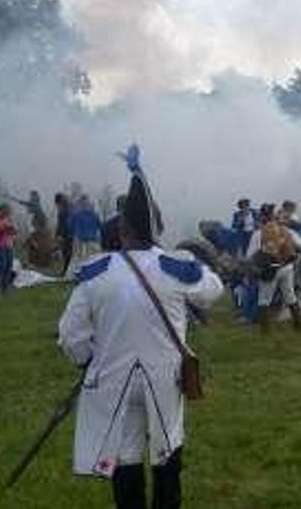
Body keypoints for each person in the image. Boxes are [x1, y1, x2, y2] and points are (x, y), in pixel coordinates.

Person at [56, 145, 223, 509]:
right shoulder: (175, 266)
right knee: (167, 447)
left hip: (113, 375)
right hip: (164, 376)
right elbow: (212, 291)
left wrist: (87, 361)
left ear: (124, 228)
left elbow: (70, 335)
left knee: (127, 452)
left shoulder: (96, 271)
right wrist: (192, 265)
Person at [246, 203, 301, 329]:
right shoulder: (285, 229)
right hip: (287, 267)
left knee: (263, 300)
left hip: (270, 269)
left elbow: (250, 255)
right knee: (290, 296)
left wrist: (252, 268)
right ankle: (298, 326)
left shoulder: (258, 234)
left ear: (262, 217)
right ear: (272, 214)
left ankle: (265, 331)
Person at [66, 196, 103, 277]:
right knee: (92, 259)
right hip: (91, 242)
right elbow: (101, 226)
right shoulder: (94, 214)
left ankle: (75, 275)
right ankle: (93, 274)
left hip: (80, 241)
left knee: (78, 260)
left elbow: (69, 226)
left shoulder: (76, 215)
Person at [56, 193, 74, 276]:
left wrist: (60, 235)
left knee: (67, 254)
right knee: (66, 253)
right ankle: (65, 271)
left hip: (68, 236)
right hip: (67, 235)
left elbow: (63, 224)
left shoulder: (65, 211)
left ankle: (66, 271)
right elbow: (59, 224)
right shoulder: (64, 210)